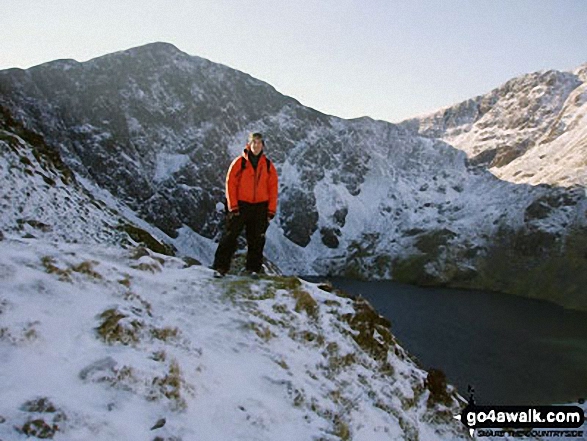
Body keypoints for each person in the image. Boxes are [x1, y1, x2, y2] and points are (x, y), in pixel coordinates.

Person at [212, 132, 278, 277]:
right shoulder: (239, 163)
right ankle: (220, 268)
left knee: (257, 239)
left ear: (263, 146)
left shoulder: (268, 165)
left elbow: (273, 188)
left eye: (259, 143)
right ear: (249, 144)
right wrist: (233, 206)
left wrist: (271, 209)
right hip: (241, 205)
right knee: (230, 236)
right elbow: (230, 184)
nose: (256, 145)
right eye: (254, 142)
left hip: (260, 206)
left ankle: (253, 269)